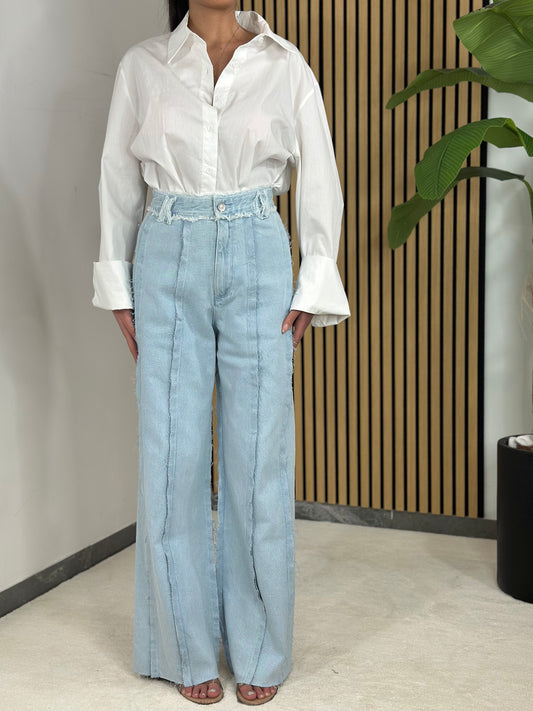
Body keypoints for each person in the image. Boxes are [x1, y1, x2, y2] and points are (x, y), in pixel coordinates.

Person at [92, 0, 350, 705]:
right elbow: (118, 178)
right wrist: (116, 282)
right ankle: (185, 646)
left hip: (257, 250)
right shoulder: (143, 65)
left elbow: (319, 172)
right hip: (166, 249)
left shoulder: (286, 66)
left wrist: (314, 276)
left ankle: (261, 645)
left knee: (258, 453)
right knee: (171, 454)